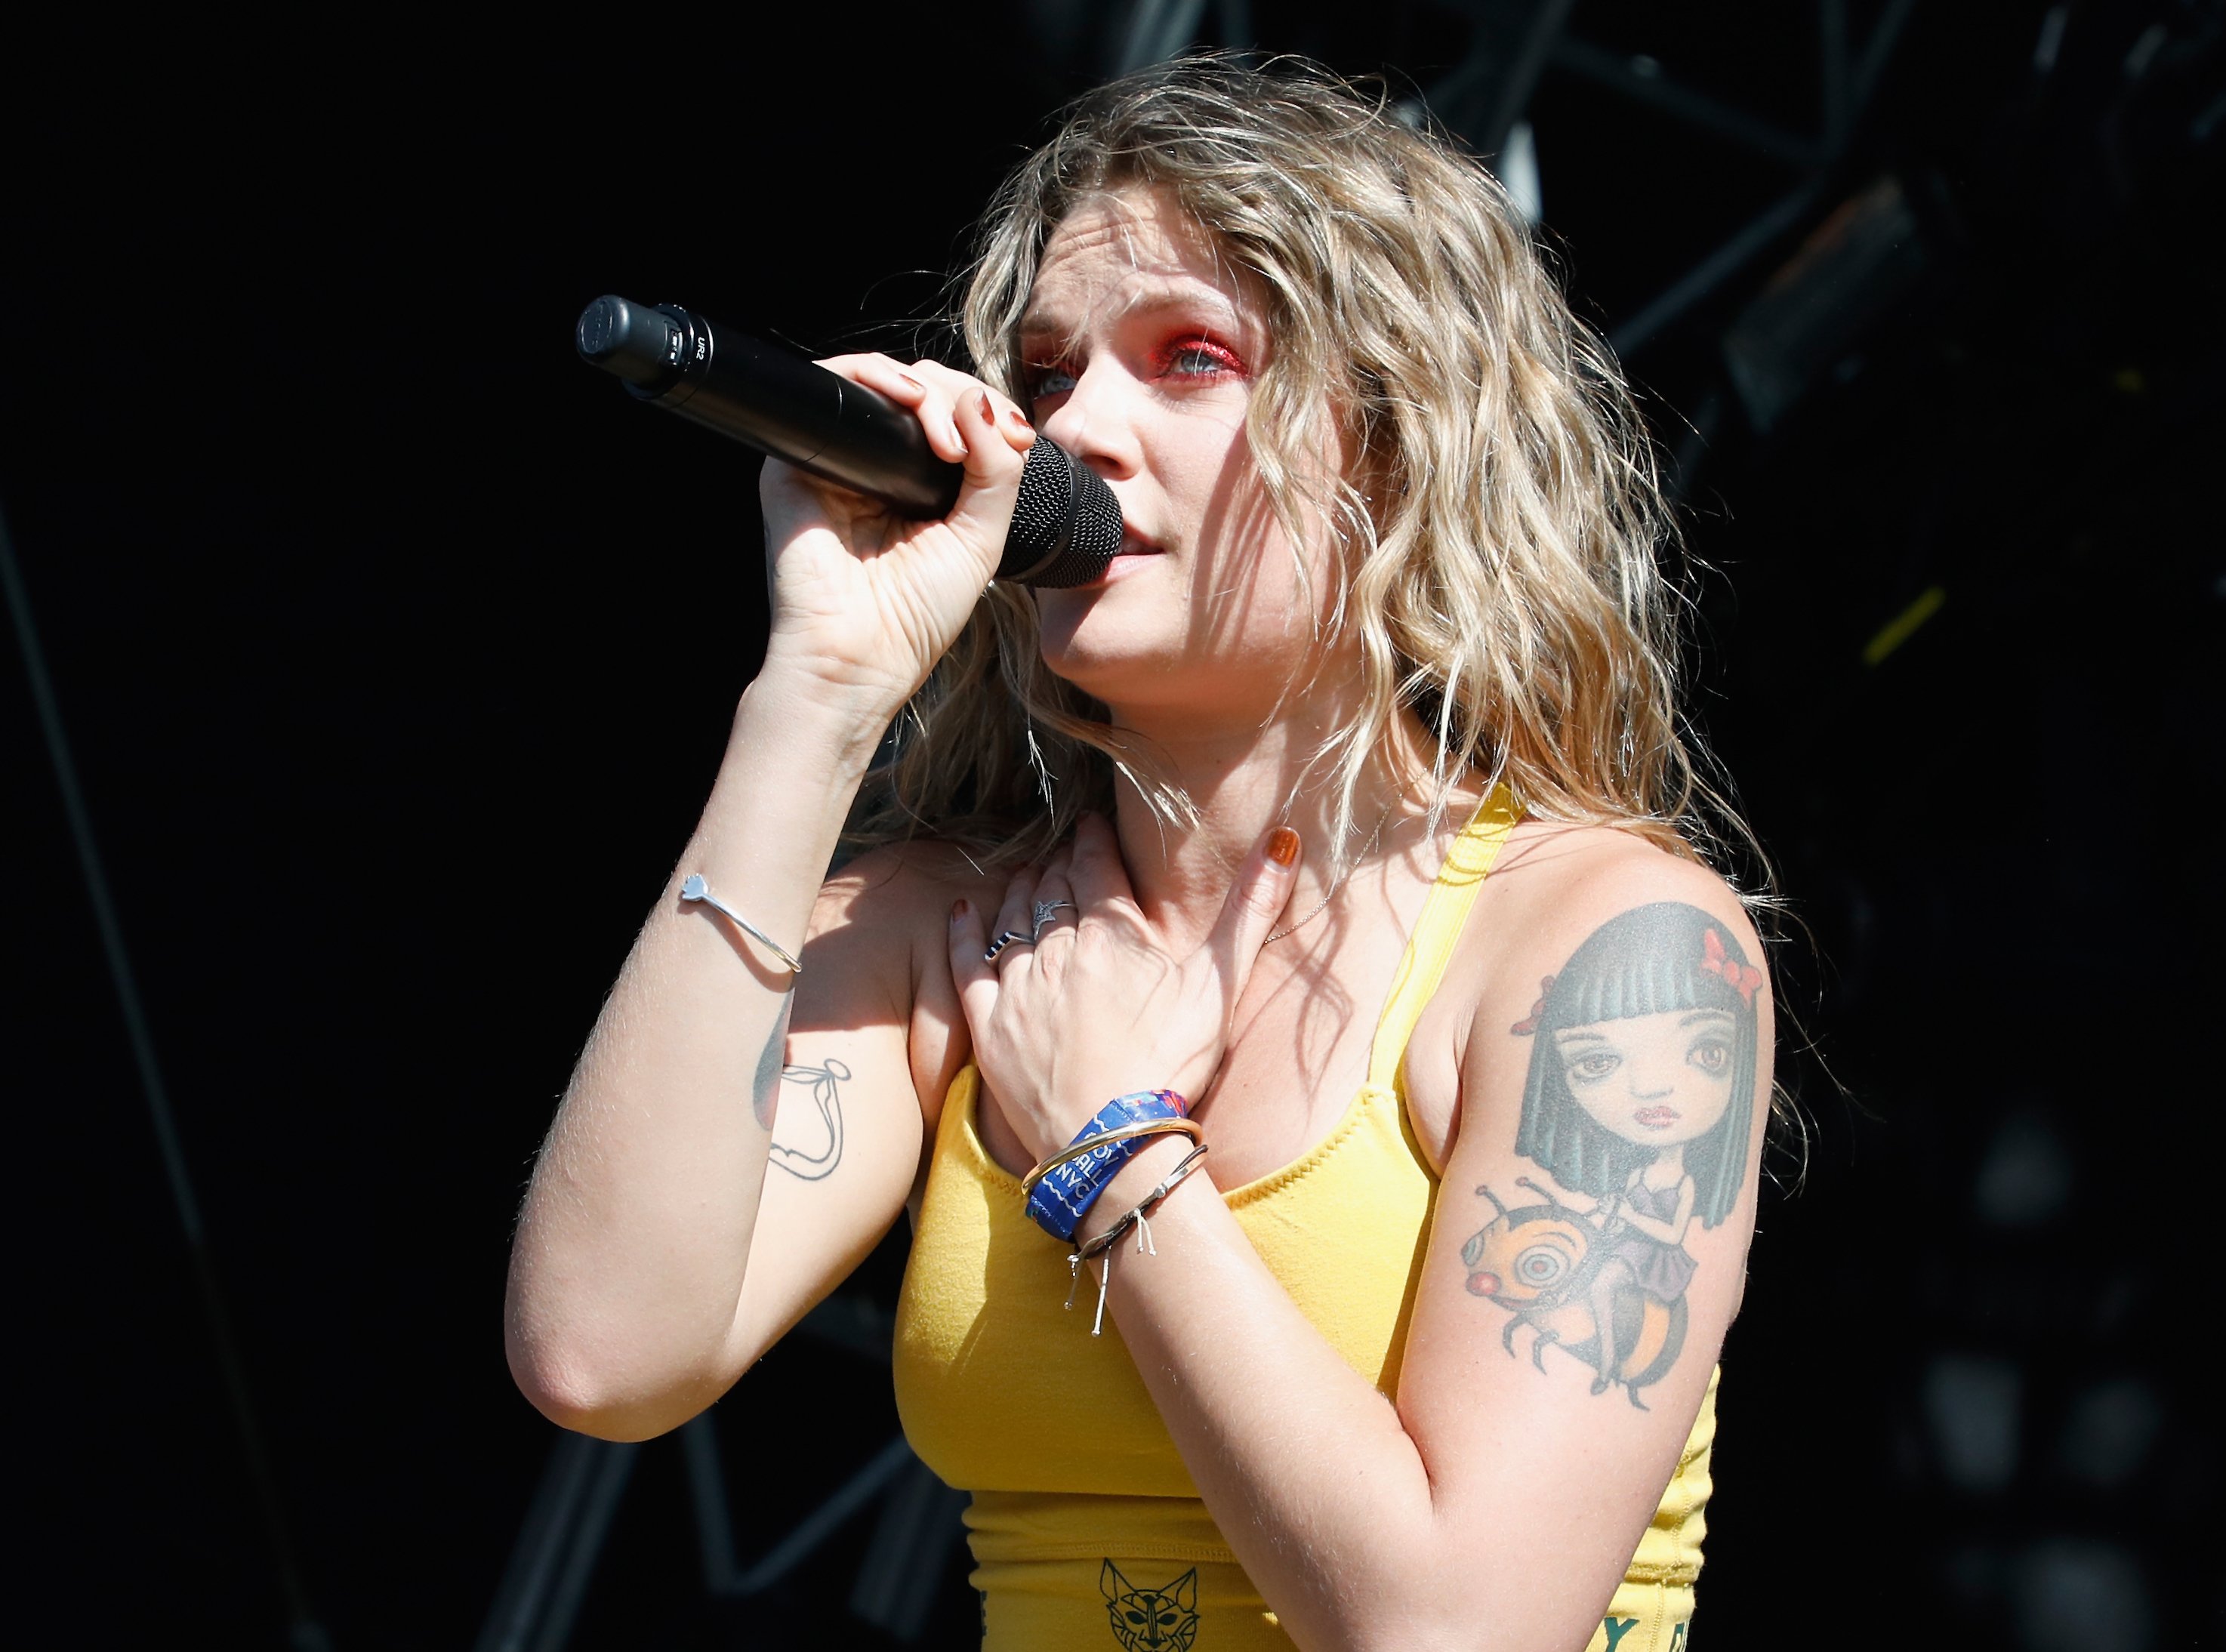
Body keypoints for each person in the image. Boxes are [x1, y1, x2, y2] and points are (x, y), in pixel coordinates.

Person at [504, 57, 1780, 1652]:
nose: (1075, 427)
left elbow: (1457, 1629)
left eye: (1185, 360)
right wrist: (818, 696)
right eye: (1043, 373)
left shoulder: (1610, 943)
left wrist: (1116, 1152)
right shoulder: (943, 929)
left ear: (1388, 445)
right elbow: (604, 1349)